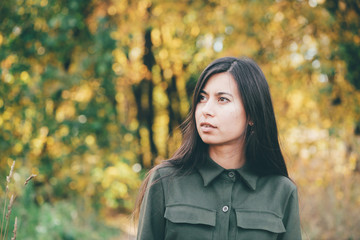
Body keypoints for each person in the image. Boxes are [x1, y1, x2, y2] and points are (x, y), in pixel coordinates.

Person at [135, 57, 302, 240]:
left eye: (222, 99)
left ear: (252, 115)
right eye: (202, 98)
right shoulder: (164, 181)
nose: (206, 109)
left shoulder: (281, 191)